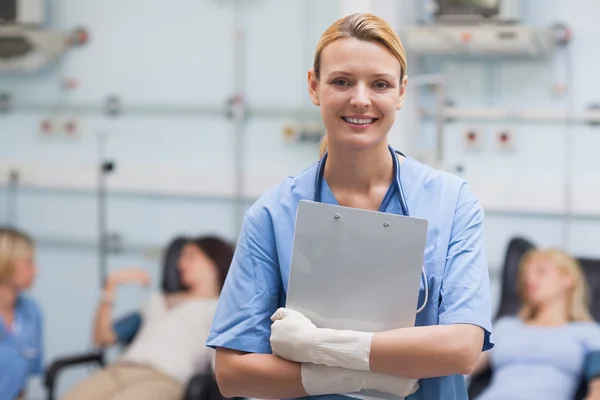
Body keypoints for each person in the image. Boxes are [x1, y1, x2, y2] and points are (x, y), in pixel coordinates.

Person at [206, 12, 493, 400]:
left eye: (380, 84)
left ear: (402, 92)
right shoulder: (273, 215)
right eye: (341, 81)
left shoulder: (451, 201)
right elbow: (233, 373)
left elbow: (462, 349)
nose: (361, 99)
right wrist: (354, 378)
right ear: (314, 86)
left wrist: (316, 347)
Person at [62, 235, 234, 400]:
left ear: (213, 263)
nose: (180, 263)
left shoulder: (219, 309)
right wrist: (111, 284)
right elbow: (102, 338)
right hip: (118, 370)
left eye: (190, 256)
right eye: (181, 257)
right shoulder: (156, 301)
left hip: (163, 377)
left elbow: (222, 368)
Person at [472, 248, 600, 400]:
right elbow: (463, 366)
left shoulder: (588, 332)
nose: (529, 279)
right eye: (525, 274)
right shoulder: (505, 326)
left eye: (541, 271)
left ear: (568, 279)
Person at [0, 227, 43, 400]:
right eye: (29, 263)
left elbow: (20, 387)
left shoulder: (31, 312)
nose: (36, 271)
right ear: (5, 263)